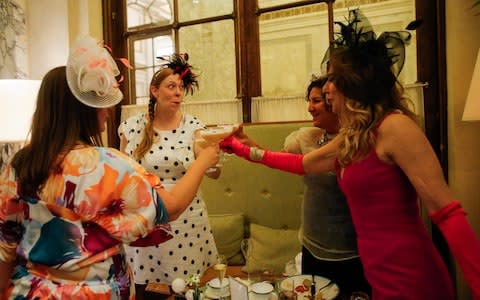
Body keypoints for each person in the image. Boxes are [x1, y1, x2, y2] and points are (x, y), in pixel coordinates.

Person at [221, 9, 480, 299]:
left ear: (354, 83)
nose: (327, 87)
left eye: (332, 78)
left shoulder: (395, 127)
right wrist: (241, 149)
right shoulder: (356, 137)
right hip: (377, 275)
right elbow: (302, 163)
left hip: (410, 275)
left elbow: (447, 212)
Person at [0, 36, 219, 300]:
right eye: (98, 102)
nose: (106, 110)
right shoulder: (109, 166)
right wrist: (205, 159)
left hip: (30, 292)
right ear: (81, 108)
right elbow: (170, 207)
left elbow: (5, 249)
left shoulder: (18, 165)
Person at [234, 76, 370, 298]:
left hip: (349, 251)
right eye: (308, 101)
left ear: (333, 100)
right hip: (311, 245)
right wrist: (246, 143)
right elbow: (279, 159)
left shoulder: (355, 140)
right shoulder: (306, 137)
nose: (310, 108)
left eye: (316, 101)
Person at [118, 53, 219, 297]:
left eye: (181, 88)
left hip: (187, 221)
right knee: (142, 287)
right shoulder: (131, 127)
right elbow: (121, 174)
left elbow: (213, 173)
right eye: (171, 86)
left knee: (189, 288)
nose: (178, 93)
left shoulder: (194, 127)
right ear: (154, 91)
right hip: (145, 219)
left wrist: (216, 158)